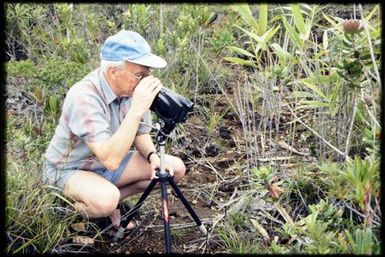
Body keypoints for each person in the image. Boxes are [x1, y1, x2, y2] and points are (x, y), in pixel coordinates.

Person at [42, 30, 186, 231]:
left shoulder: (130, 89)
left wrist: (152, 156)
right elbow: (110, 160)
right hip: (68, 169)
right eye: (139, 75)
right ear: (113, 72)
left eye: (147, 74)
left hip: (104, 166)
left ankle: (107, 199)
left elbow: (141, 133)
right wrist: (137, 109)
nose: (144, 81)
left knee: (173, 169)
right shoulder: (84, 96)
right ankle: (61, 211)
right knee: (107, 199)